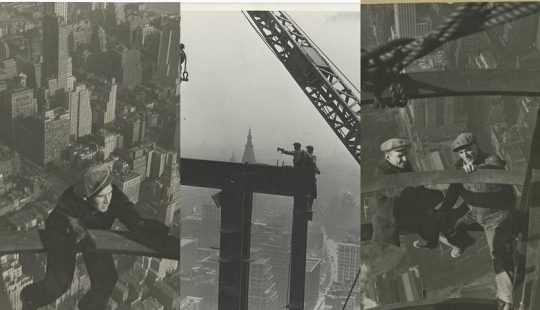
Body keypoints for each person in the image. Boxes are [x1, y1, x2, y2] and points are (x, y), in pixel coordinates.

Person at [21, 163, 170, 310]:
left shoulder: (112, 193)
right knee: (59, 285)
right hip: (67, 238)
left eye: (109, 193)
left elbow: (126, 209)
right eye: (101, 196)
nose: (107, 200)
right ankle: (29, 298)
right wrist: (73, 225)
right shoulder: (72, 197)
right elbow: (58, 217)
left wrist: (139, 224)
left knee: (107, 279)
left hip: (94, 238)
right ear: (87, 197)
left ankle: (90, 307)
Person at [440, 133, 516, 310]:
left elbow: (496, 167)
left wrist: (478, 169)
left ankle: (507, 299)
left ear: (477, 147)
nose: (466, 156)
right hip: (472, 211)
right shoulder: (460, 166)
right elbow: (453, 190)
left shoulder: (492, 159)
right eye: (462, 153)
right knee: (444, 223)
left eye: (469, 150)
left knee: (498, 255)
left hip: (495, 216)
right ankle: (462, 242)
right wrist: (443, 211)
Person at [371, 138, 474, 250]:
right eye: (400, 156)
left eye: (406, 154)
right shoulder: (381, 175)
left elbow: (415, 184)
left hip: (408, 202)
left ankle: (444, 240)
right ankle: (436, 240)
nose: (405, 159)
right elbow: (399, 193)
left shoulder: (402, 164)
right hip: (394, 213)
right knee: (433, 217)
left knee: (437, 196)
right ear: (387, 157)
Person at [306, 145, 320, 209]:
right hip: (310, 178)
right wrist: (317, 171)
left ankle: (309, 205)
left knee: (309, 192)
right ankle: (309, 206)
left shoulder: (309, 156)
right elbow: (314, 165)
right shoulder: (311, 156)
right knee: (312, 193)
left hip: (308, 178)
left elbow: (314, 164)